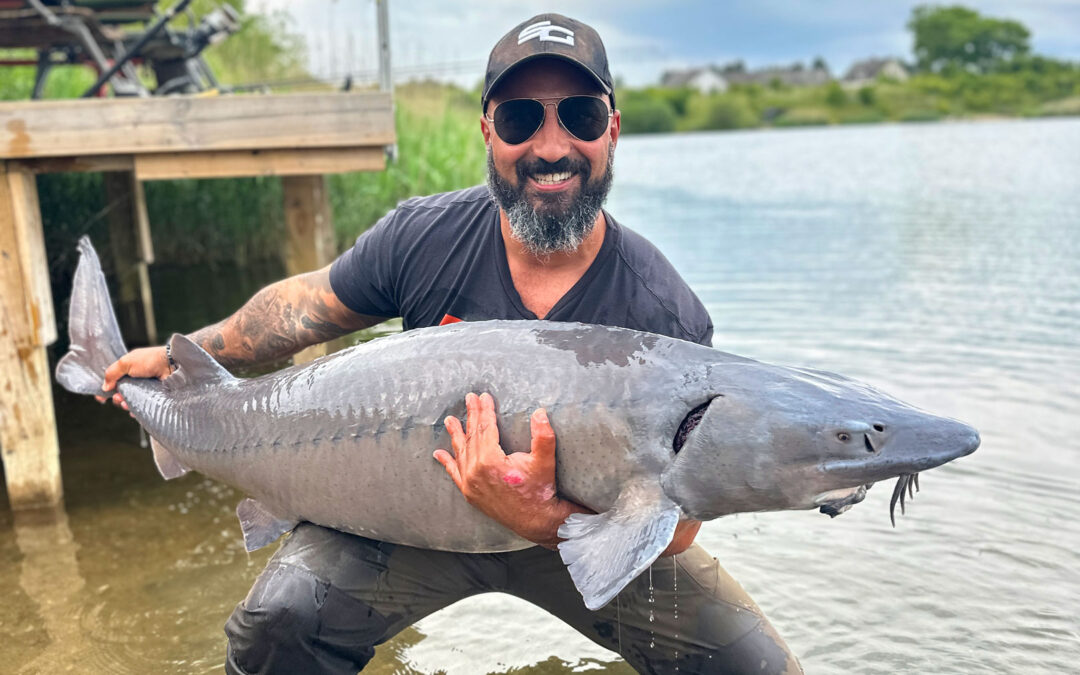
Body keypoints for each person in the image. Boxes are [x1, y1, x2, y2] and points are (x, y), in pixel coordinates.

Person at [99, 14, 803, 675]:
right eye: (521, 118)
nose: (551, 147)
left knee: (754, 666)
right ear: (488, 132)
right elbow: (306, 307)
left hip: (584, 537)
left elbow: (677, 527)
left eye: (579, 116)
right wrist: (184, 354)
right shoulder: (424, 235)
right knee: (276, 623)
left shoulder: (663, 311)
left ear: (611, 130)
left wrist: (543, 519)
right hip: (405, 517)